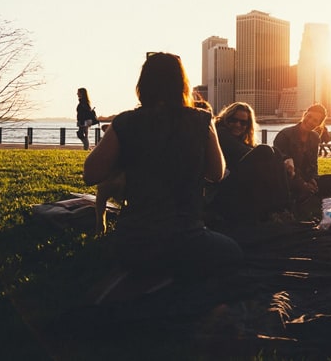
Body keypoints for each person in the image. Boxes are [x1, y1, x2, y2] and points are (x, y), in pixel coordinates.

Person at [83, 52, 243, 282]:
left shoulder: (125, 122)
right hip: (187, 240)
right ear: (182, 84)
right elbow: (216, 174)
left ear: (143, 84)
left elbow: (91, 174)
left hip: (135, 242)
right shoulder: (201, 120)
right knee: (233, 253)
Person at [210, 102, 290, 223]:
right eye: (233, 120)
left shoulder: (239, 139)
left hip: (238, 184)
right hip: (223, 188)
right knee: (266, 151)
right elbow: (244, 152)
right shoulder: (221, 133)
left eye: (243, 123)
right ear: (226, 118)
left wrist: (284, 160)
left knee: (276, 153)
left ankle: (282, 209)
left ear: (248, 125)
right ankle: (281, 209)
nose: (238, 125)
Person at [273, 104, 331, 210]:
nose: (310, 121)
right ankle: (304, 195)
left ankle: (306, 194)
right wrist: (302, 184)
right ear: (304, 115)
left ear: (318, 124)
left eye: (315, 120)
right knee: (288, 184)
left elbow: (314, 163)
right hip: (288, 178)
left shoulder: (315, 137)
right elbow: (280, 162)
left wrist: (313, 179)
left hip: (305, 177)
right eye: (309, 117)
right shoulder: (285, 134)